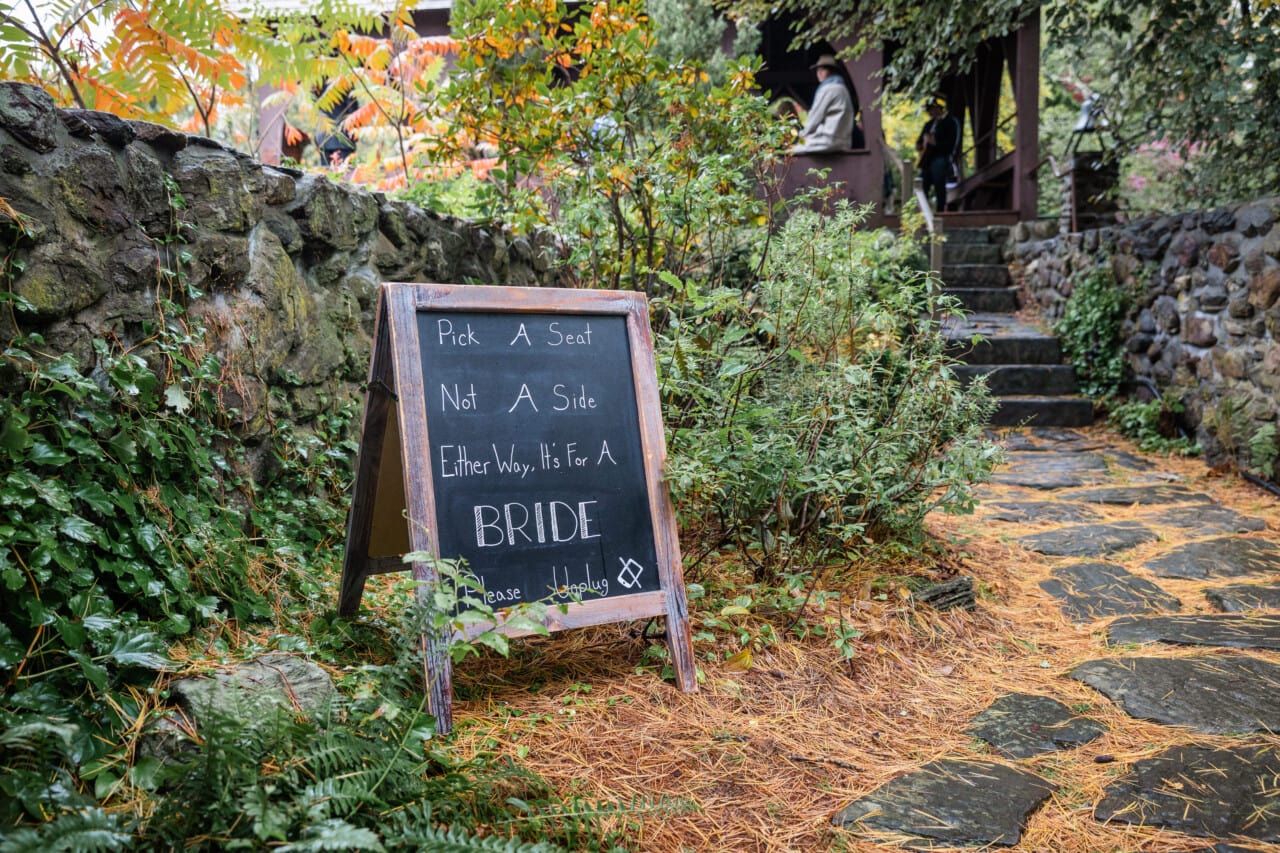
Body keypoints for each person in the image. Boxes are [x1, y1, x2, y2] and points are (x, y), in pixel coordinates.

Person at [790, 55, 855, 154]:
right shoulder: (842, 88)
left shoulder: (828, 88)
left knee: (788, 152)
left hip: (828, 141)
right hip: (844, 142)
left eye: (823, 69)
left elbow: (814, 118)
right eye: (817, 70)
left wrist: (801, 135)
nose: (819, 73)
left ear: (831, 71)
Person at [915, 97, 961, 212]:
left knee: (938, 177)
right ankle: (922, 212)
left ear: (938, 108)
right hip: (927, 160)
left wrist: (935, 144)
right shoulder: (928, 124)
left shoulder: (950, 122)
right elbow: (919, 141)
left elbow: (952, 144)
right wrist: (921, 145)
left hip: (942, 157)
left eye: (931, 109)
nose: (929, 112)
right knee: (921, 182)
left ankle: (940, 210)